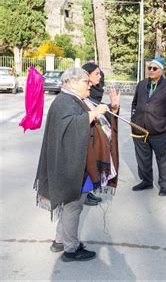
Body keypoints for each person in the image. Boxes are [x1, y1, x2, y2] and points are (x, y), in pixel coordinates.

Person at [34, 67, 119, 262]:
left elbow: (92, 114)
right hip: (70, 163)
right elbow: (71, 125)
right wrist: (95, 112)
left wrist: (111, 108)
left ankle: (59, 240)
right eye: (85, 82)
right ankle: (70, 249)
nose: (90, 85)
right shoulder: (64, 101)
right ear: (72, 83)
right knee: (74, 205)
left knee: (71, 205)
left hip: (78, 160)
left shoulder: (74, 99)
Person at [131, 57, 166, 196]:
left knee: (163, 160)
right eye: (149, 68)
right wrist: (134, 119)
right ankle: (146, 181)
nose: (151, 71)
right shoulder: (141, 84)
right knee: (143, 159)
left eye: (154, 68)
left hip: (160, 130)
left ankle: (164, 185)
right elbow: (135, 104)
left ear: (161, 71)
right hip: (140, 129)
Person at [81, 62, 107, 206]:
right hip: (85, 135)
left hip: (91, 132)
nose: (100, 76)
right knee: (85, 165)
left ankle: (87, 191)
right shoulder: (83, 94)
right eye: (97, 73)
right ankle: (84, 193)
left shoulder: (96, 88)